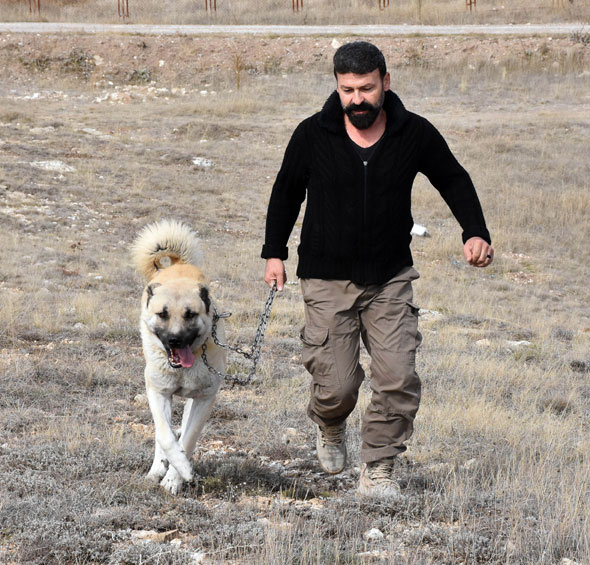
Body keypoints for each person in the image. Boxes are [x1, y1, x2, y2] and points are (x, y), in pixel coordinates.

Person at [261, 41, 493, 498]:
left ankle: (379, 467)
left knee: (398, 377)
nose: (357, 99)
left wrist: (474, 231)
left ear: (385, 82)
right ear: (337, 86)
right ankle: (329, 422)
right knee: (339, 384)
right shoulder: (312, 134)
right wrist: (274, 253)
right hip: (327, 277)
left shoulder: (414, 133)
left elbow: (453, 177)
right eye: (347, 89)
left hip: (390, 276)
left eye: (366, 88)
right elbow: (286, 192)